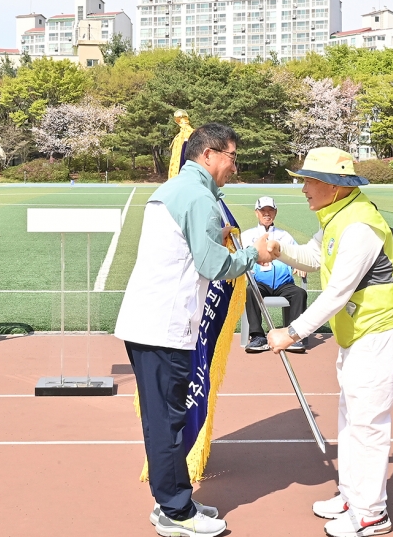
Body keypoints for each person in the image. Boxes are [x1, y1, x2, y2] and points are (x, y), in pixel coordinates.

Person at [115, 123, 274, 537]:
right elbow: (213, 266)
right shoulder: (200, 197)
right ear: (208, 155)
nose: (234, 167)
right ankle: (175, 511)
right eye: (232, 157)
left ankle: (174, 498)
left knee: (164, 417)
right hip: (164, 326)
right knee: (168, 420)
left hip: (150, 321)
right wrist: (252, 257)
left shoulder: (173, 189)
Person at [266, 147, 393, 537]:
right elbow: (314, 256)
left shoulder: (360, 226)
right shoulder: (338, 216)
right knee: (350, 420)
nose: (304, 190)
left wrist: (292, 332)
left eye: (310, 181)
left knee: (368, 425)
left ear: (334, 186)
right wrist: (280, 250)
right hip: (359, 336)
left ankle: (371, 514)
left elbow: (336, 294)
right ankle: (352, 494)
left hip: (377, 335)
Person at [240, 196, 308, 353]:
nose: (266, 214)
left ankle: (293, 336)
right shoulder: (246, 236)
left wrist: (300, 265)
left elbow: (298, 255)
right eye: (263, 210)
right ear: (256, 213)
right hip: (259, 283)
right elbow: (240, 257)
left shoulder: (285, 236)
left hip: (284, 284)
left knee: (299, 293)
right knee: (250, 291)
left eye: (270, 210)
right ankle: (257, 337)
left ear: (275, 213)